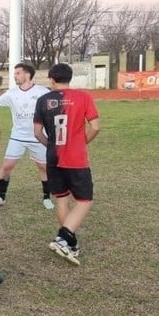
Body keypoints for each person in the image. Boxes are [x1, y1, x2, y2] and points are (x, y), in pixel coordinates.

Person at [33, 63, 101, 265]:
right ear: (70, 78)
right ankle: (63, 237)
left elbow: (37, 132)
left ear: (52, 79)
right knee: (85, 200)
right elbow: (96, 127)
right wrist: (81, 142)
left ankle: (70, 244)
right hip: (76, 158)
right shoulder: (83, 97)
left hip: (53, 157)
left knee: (62, 200)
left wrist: (50, 145)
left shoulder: (43, 100)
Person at [0, 62, 53, 210]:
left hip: (38, 136)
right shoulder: (12, 93)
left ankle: (47, 198)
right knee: (6, 167)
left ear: (27, 74)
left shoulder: (43, 92)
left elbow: (55, 109)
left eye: (18, 73)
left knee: (43, 167)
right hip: (17, 136)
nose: (15, 76)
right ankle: (1, 197)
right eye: (15, 73)